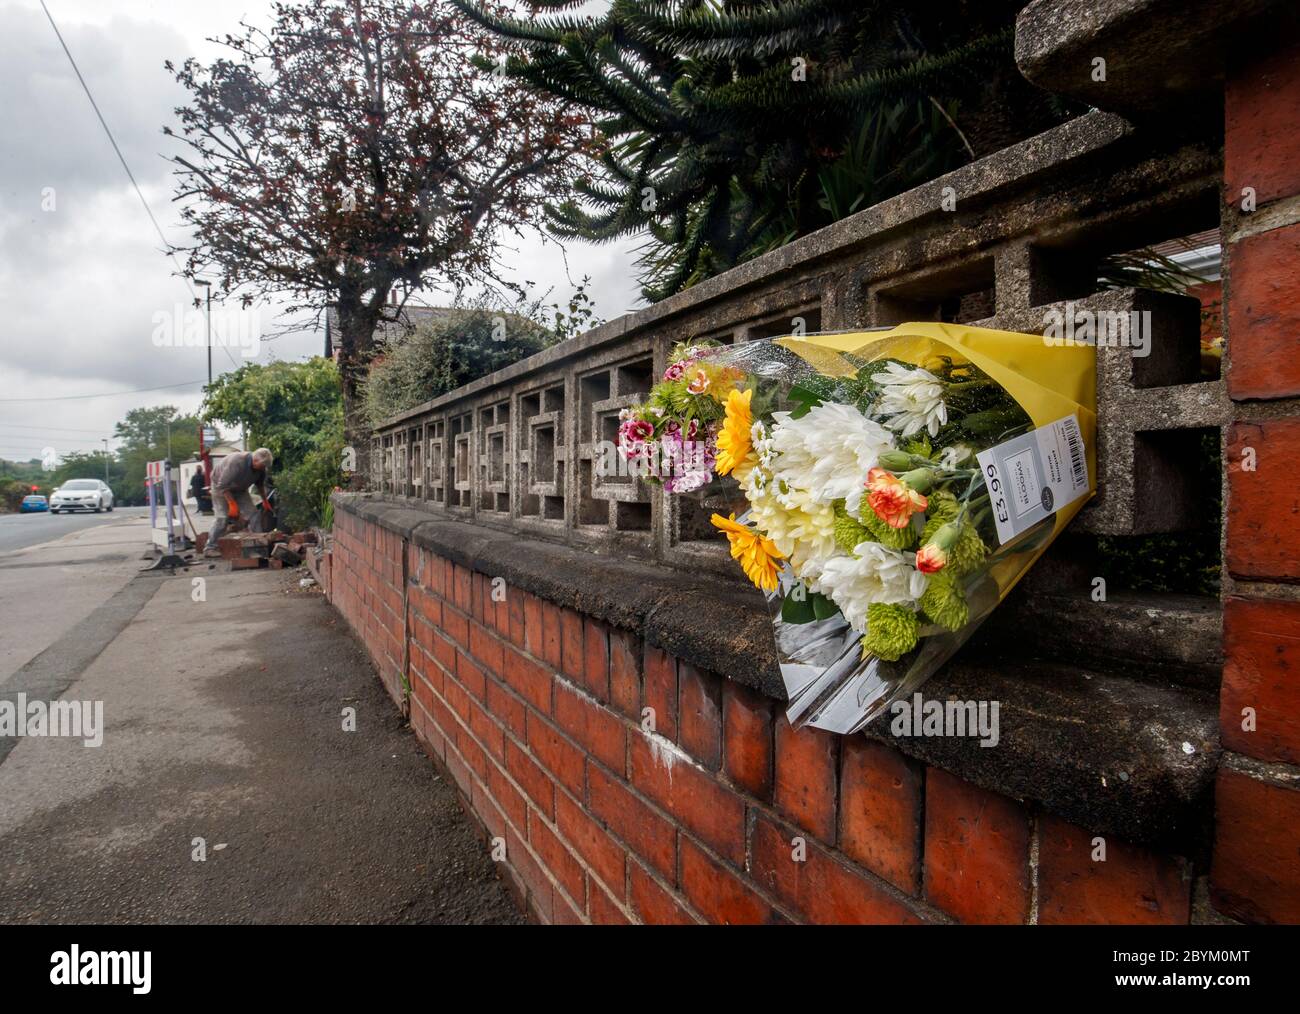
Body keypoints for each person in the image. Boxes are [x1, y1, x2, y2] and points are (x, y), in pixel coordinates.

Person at [203, 448, 274, 558]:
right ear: (255, 461)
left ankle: (259, 544)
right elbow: (222, 486)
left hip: (240, 489)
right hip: (220, 487)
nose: (263, 468)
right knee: (222, 518)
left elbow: (259, 485)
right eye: (262, 466)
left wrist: (265, 501)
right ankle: (210, 547)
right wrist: (232, 504)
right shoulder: (237, 462)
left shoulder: (261, 468)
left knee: (254, 514)